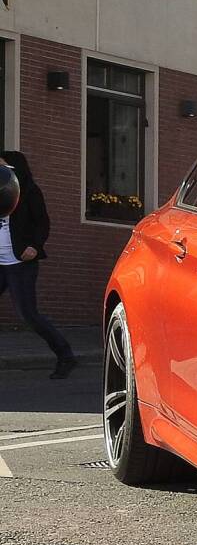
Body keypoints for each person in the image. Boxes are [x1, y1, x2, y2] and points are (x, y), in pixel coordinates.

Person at [0, 150, 77, 379]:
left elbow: (42, 222)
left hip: (19, 262)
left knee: (28, 314)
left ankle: (65, 355)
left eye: (5, 168)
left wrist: (34, 246)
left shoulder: (30, 192)